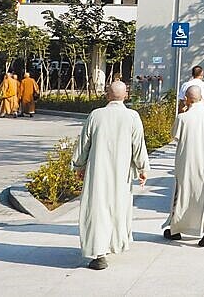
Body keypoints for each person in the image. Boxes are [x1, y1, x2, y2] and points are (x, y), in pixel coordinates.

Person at [72, 80, 150, 270]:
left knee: (97, 208)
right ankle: (115, 243)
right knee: (118, 206)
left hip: (98, 171)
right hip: (121, 173)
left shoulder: (96, 115)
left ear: (107, 95)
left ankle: (99, 253)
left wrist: (79, 166)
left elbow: (84, 144)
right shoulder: (132, 116)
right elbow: (138, 145)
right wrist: (142, 168)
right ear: (126, 95)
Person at [163, 85, 204, 247]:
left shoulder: (182, 118)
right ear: (200, 98)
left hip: (186, 161)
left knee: (182, 194)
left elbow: (175, 136)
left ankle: (176, 227)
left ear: (187, 99)